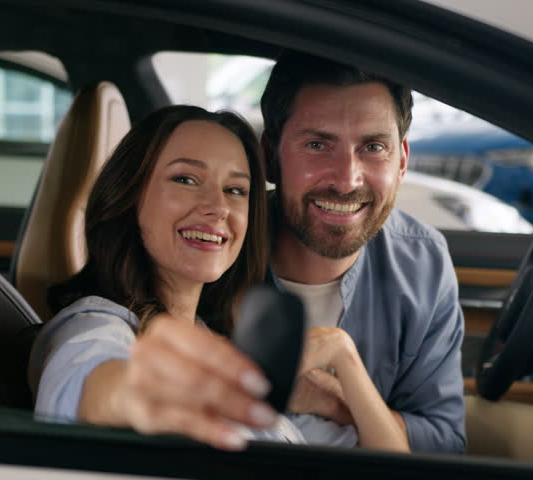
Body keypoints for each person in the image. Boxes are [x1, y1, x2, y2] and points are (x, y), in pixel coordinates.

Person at [29, 105, 411, 452]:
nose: (217, 208)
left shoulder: (223, 351)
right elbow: (84, 385)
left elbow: (390, 465)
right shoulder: (96, 322)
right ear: (130, 197)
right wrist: (134, 394)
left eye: (235, 190)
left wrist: (343, 356)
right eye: (185, 179)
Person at [259, 51, 465, 454]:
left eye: (372, 147)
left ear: (402, 160)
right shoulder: (215, 244)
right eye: (317, 144)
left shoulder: (423, 264)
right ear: (270, 156)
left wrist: (335, 398)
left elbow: (443, 446)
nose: (347, 180)